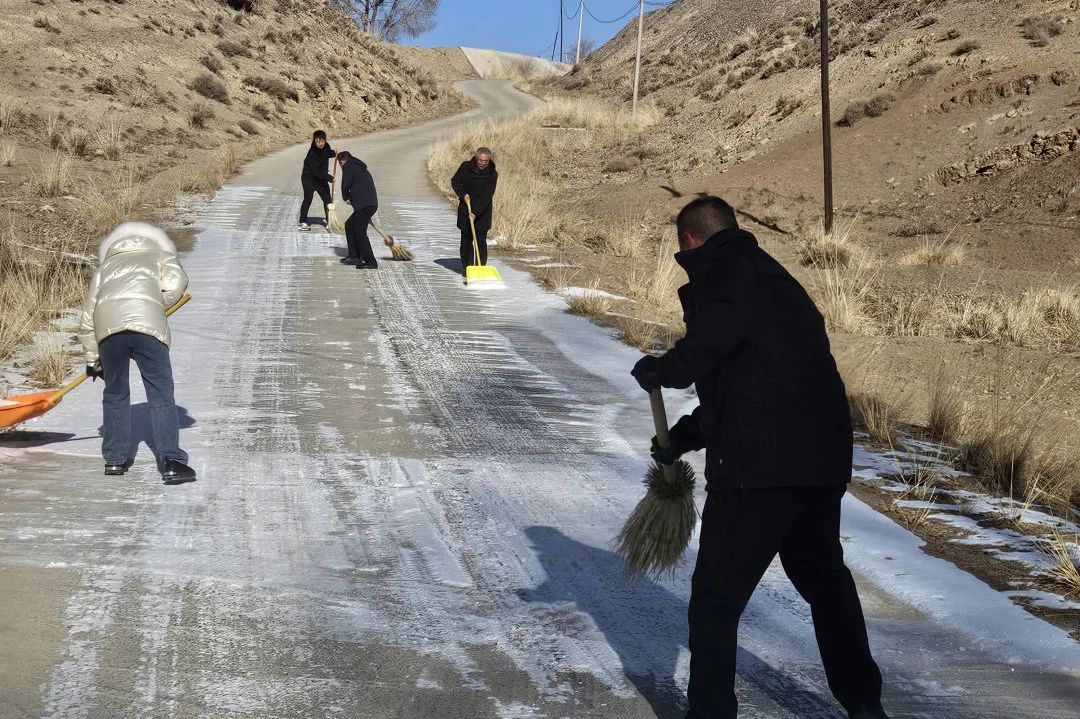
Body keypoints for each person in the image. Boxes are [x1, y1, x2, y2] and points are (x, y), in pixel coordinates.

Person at [630, 196, 887, 719]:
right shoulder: (779, 282)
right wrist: (682, 437)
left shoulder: (725, 277)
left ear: (690, 241)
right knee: (825, 582)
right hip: (819, 462)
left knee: (716, 600)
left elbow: (711, 345)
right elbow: (754, 387)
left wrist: (664, 370)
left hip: (758, 471)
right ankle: (864, 704)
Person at [78, 222, 196, 485]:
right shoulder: (161, 255)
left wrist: (91, 358)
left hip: (108, 331)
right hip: (148, 329)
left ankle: (115, 459)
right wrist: (154, 303)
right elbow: (177, 284)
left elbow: (87, 316)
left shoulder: (105, 267)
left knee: (115, 393)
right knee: (160, 393)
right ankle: (172, 461)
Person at [450, 147, 498, 272]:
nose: (483, 163)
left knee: (480, 242)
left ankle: (480, 268)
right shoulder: (465, 167)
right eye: (481, 160)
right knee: (465, 242)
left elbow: (487, 195)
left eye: (486, 161)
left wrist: (475, 213)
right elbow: (455, 182)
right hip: (466, 209)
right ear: (476, 158)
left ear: (489, 160)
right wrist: (463, 193)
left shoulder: (492, 174)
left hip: (482, 213)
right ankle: (468, 268)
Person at [337, 150, 379, 269]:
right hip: (369, 204)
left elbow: (345, 184)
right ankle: (354, 256)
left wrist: (346, 197)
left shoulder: (348, 166)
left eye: (340, 165)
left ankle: (371, 261)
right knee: (350, 225)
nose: (341, 167)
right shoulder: (360, 167)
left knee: (360, 232)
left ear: (342, 161)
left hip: (364, 205)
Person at [299, 129, 336, 231]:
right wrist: (330, 178)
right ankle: (303, 221)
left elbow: (328, 153)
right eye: (318, 141)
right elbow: (316, 171)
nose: (320, 144)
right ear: (314, 141)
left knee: (327, 200)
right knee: (308, 199)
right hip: (309, 178)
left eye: (322, 141)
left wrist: (335, 153)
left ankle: (329, 221)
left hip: (321, 179)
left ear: (325, 140)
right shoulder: (312, 153)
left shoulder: (326, 147)